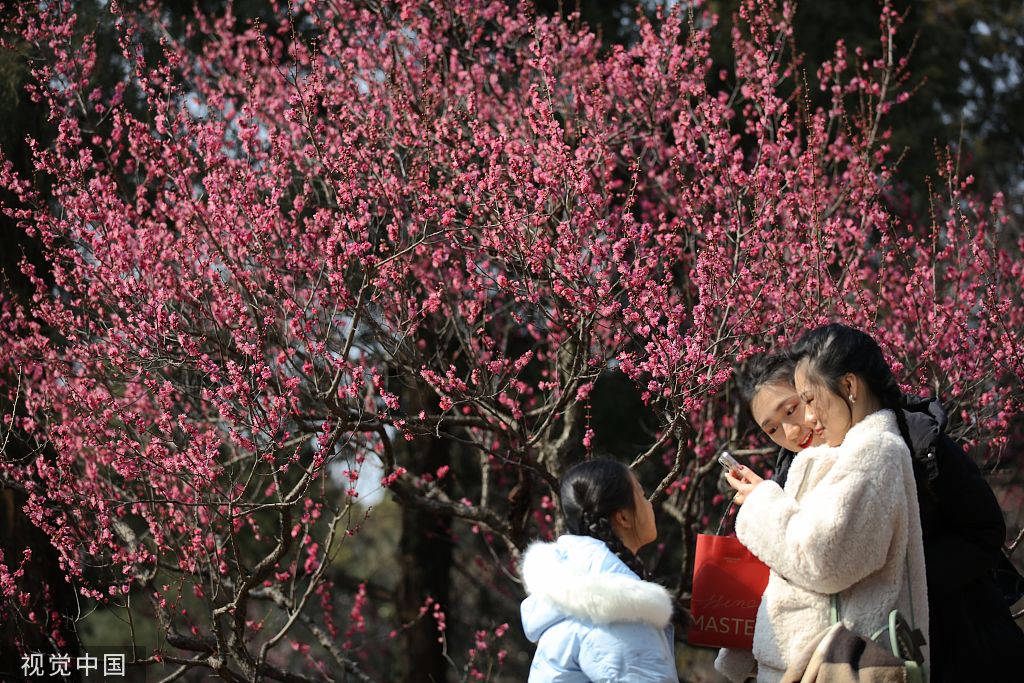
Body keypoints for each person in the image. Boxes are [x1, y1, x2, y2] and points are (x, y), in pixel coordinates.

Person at [728, 342, 1024, 682]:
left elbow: (983, 530)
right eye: (772, 428)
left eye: (794, 407)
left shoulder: (913, 442)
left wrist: (903, 580)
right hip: (854, 660)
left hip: (957, 643)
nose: (794, 430)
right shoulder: (792, 474)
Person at [718, 323, 930, 683]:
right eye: (771, 429)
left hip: (837, 662)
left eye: (804, 402)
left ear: (847, 386)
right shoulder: (822, 460)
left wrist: (761, 504)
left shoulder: (875, 450)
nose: (806, 421)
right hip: (815, 661)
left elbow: (823, 559)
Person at [519, 459, 678, 682]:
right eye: (642, 496)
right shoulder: (616, 612)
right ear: (623, 517)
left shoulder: (581, 593)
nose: (650, 503)